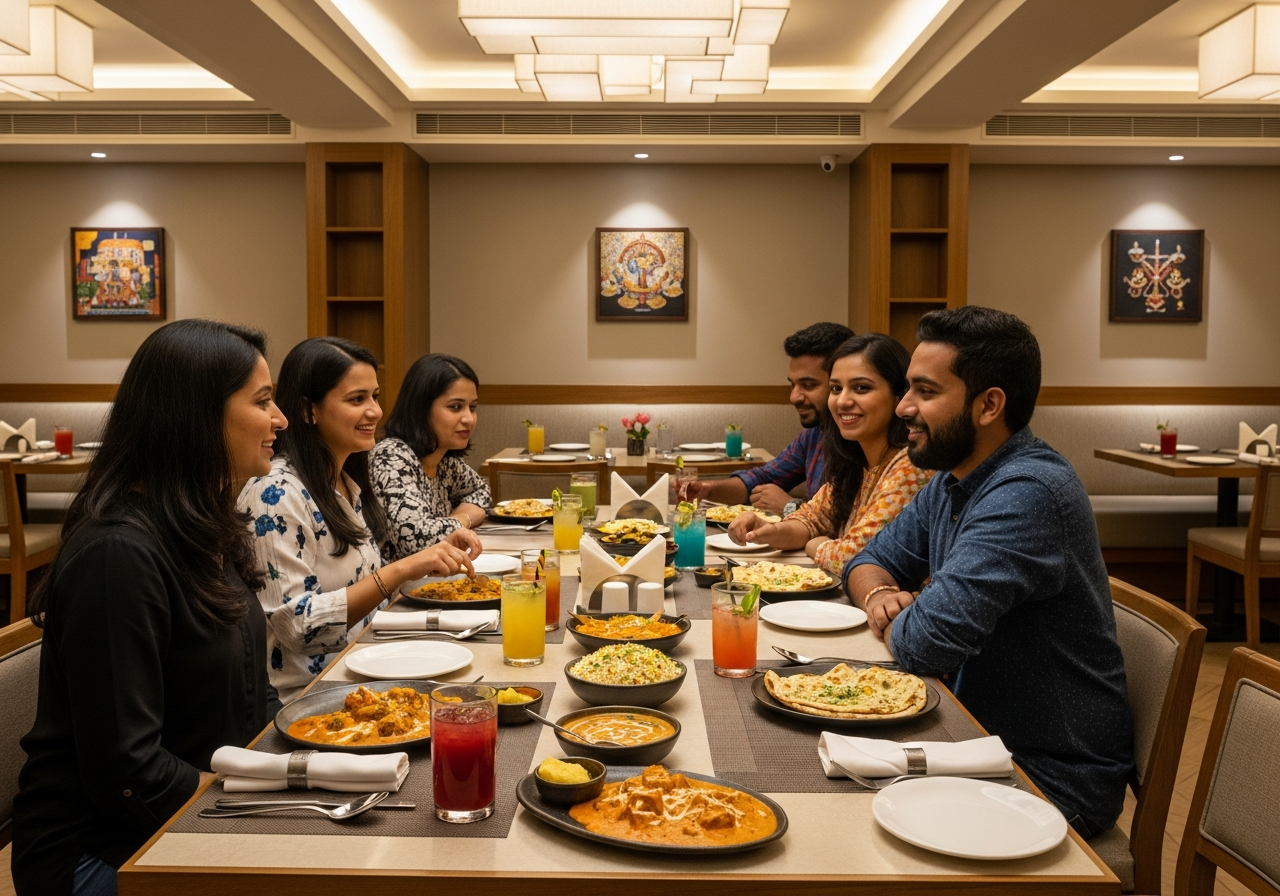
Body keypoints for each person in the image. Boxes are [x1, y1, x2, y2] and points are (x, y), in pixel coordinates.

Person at [13, 320, 285, 896]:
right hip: (103, 850)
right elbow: (128, 771)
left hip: (193, 813)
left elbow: (252, 692)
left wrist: (297, 765)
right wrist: (259, 806)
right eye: (263, 402)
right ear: (197, 415)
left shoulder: (203, 525)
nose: (279, 420)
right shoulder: (118, 554)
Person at [845, 306, 1134, 838]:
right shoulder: (955, 477)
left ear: (989, 405)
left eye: (925, 392)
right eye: (909, 388)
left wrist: (909, 616)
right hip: (974, 740)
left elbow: (926, 644)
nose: (905, 407)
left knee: (835, 825)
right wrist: (880, 594)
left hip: (1046, 776)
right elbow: (865, 561)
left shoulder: (1026, 494)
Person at [239, 338, 476, 700]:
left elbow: (366, 598)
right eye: (357, 399)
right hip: (313, 695)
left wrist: (430, 561)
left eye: (375, 397)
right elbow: (298, 626)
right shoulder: (275, 494)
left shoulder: (347, 482)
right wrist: (401, 570)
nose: (375, 411)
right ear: (308, 410)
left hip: (366, 670)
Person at [728, 334, 932, 576]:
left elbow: (855, 558)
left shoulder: (911, 465)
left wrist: (816, 545)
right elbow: (811, 519)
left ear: (899, 396)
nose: (843, 401)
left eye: (861, 388)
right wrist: (771, 531)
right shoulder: (856, 460)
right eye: (836, 388)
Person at [685, 321, 853, 513]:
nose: (793, 397)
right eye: (793, 385)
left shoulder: (865, 443)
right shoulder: (814, 434)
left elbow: (851, 527)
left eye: (808, 385)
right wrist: (708, 490)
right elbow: (761, 478)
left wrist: (789, 507)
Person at [369, 353, 492, 561]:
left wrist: (454, 522)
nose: (469, 419)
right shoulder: (391, 456)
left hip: (432, 580)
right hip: (394, 591)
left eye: (472, 407)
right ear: (422, 409)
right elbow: (418, 538)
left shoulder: (445, 460)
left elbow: (482, 492)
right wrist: (462, 520)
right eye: (455, 407)